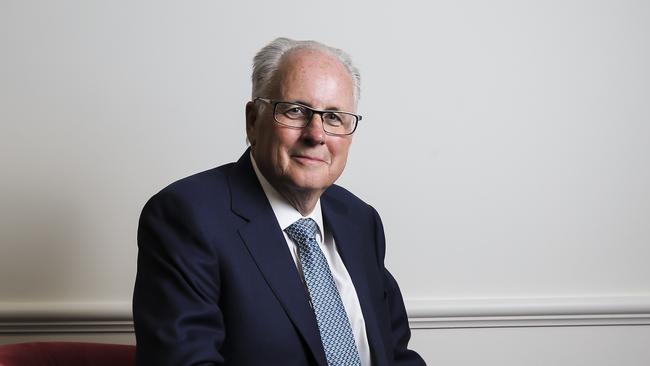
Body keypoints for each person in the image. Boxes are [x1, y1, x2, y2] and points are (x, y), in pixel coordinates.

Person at [133, 37, 425, 366]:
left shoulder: (360, 220)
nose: (316, 134)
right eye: (296, 110)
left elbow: (396, 356)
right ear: (253, 121)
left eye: (333, 117)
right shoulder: (186, 216)